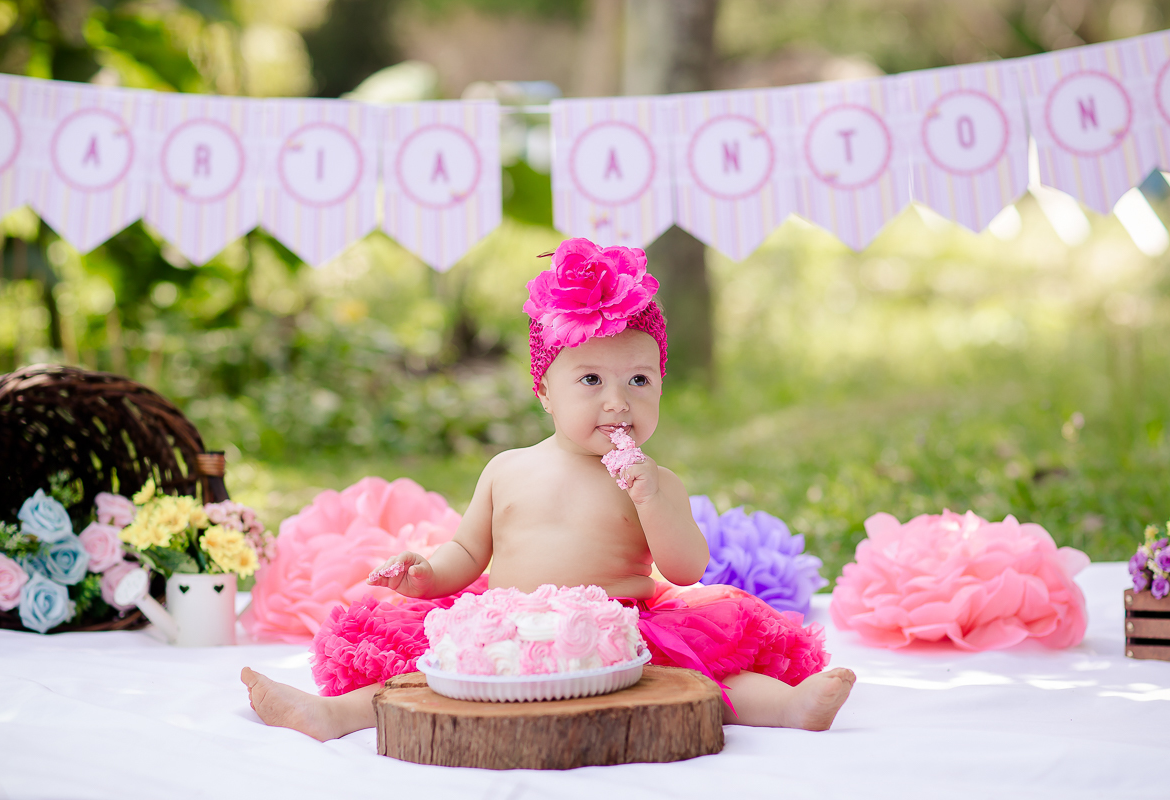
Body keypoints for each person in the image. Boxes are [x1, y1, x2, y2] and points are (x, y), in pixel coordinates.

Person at [241, 238, 855, 740]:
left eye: (639, 380)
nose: (618, 401)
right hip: (507, 628)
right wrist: (423, 576)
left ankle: (789, 708)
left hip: (619, 631)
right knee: (431, 674)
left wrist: (653, 501)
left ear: (661, 389)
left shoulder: (654, 480)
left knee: (700, 680)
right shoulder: (506, 469)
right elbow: (466, 555)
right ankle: (333, 717)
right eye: (590, 379)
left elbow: (688, 568)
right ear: (544, 392)